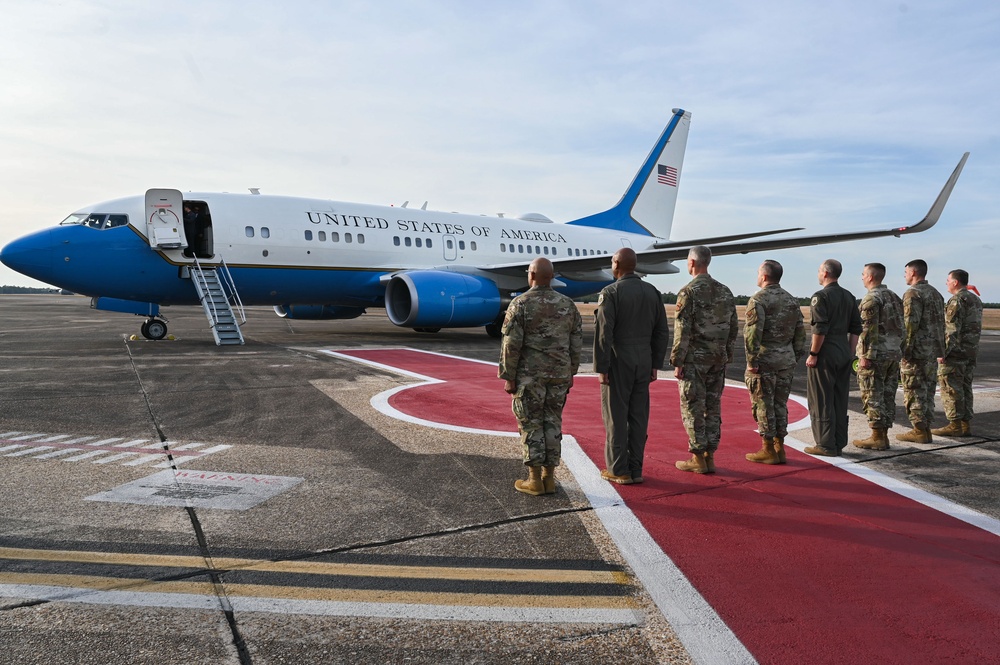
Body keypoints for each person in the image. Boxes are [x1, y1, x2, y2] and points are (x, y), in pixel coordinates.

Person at [498, 257, 583, 495]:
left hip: (530, 377)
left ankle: (534, 479)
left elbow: (511, 344)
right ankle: (549, 478)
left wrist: (508, 376)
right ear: (552, 276)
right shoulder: (568, 304)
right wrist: (571, 372)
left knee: (530, 423)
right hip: (559, 376)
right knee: (553, 422)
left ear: (532, 275)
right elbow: (576, 343)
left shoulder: (521, 303)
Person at [593, 247, 670, 485]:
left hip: (619, 360)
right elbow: (661, 331)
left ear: (616, 264)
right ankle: (636, 469)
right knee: (638, 416)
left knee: (615, 415)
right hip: (643, 359)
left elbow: (604, 333)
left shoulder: (611, 292)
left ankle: (618, 469)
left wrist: (602, 367)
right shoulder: (652, 292)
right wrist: (655, 363)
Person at [671, 246, 738, 473]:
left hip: (695, 361)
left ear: (691, 263)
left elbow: (682, 331)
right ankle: (710, 455)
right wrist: (726, 354)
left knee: (692, 406)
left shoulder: (688, 292)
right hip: (717, 359)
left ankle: (698, 457)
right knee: (713, 406)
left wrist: (678, 361)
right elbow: (733, 328)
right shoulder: (725, 291)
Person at [743, 259, 806, 465]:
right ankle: (780, 447)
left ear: (764, 276)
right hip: (785, 360)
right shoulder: (791, 300)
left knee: (763, 404)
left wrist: (751, 361)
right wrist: (793, 356)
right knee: (780, 404)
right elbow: (800, 334)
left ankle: (768, 448)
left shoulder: (758, 300)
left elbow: (752, 335)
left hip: (765, 361)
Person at [804, 259, 862, 456]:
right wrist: (850, 353)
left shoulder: (820, 297)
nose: (818, 274)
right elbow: (856, 329)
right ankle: (839, 441)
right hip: (843, 351)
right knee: (839, 398)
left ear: (826, 273)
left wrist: (814, 354)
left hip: (826, 351)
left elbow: (820, 329)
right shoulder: (849, 296)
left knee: (821, 398)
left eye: (819, 270)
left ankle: (825, 444)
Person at [852, 263, 904, 451]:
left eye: (863, 274)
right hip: (893, 353)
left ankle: (877, 436)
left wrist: (865, 356)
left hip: (876, 355)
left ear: (870, 277)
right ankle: (883, 435)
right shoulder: (894, 297)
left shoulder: (871, 298)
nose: (862, 277)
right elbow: (902, 326)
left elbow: (868, 330)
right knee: (888, 395)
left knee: (872, 394)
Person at [897, 259, 945, 443]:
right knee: (928, 391)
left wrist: (905, 351)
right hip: (932, 351)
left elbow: (910, 326)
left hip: (916, 353)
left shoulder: (912, 293)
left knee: (914, 391)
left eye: (906, 272)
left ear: (914, 273)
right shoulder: (936, 293)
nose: (905, 275)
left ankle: (919, 430)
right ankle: (926, 428)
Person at [931, 269, 983, 437]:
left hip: (955, 353)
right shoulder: (975, 299)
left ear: (955, 282)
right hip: (970, 351)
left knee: (951, 388)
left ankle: (954, 425)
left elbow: (951, 330)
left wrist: (942, 352)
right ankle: (965, 424)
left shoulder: (956, 300)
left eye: (948, 280)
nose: (946, 283)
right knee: (965, 387)